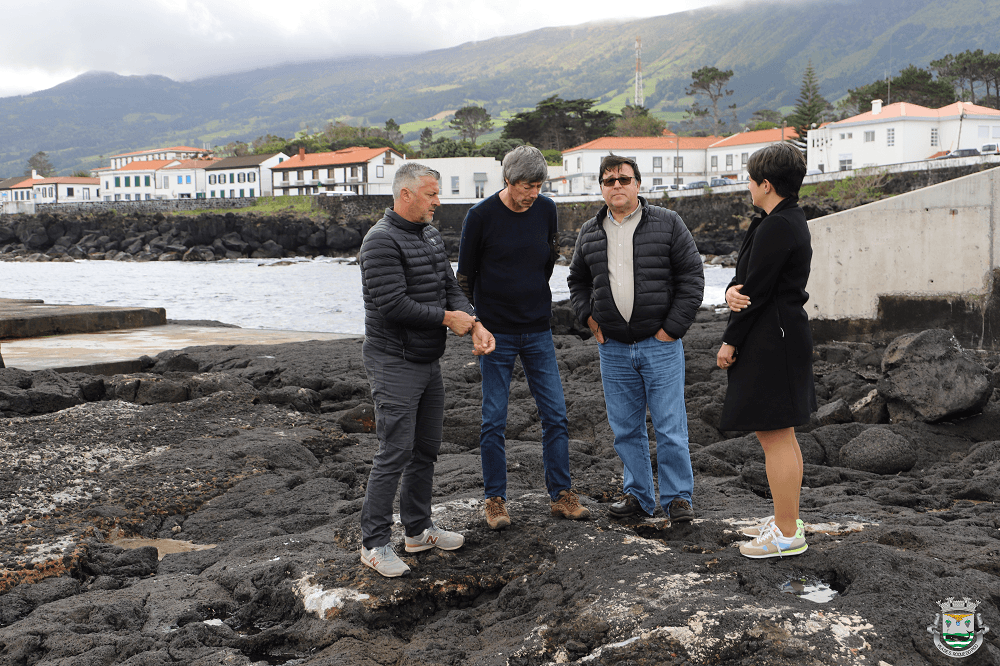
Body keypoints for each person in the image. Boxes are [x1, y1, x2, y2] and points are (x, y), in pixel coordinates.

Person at [358, 162, 496, 577]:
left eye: (437, 194)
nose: (439, 201)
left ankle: (417, 531)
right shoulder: (379, 242)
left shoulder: (430, 234)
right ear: (406, 195)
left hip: (426, 359)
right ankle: (374, 543)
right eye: (431, 194)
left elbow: (451, 288)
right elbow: (392, 304)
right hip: (392, 360)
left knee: (425, 449)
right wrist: (445, 320)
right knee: (394, 450)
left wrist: (474, 321)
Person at [457, 146, 590, 530]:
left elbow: (547, 258)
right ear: (507, 181)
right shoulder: (479, 217)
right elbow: (464, 278)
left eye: (537, 185)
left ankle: (561, 496)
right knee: (493, 419)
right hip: (495, 333)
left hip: (537, 329)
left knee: (556, 416)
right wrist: (476, 323)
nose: (531, 193)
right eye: (525, 186)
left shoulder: (547, 210)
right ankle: (495, 500)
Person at [568, 155, 704, 523]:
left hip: (659, 345)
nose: (617, 186)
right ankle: (638, 496)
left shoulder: (668, 223)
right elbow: (577, 280)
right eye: (609, 181)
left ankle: (677, 499)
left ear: (638, 185)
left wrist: (670, 329)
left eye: (624, 179)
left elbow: (692, 277)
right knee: (626, 429)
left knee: (670, 427)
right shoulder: (590, 231)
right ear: (601, 187)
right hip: (612, 348)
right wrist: (589, 320)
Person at [715, 142, 816, 559]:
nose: (748, 187)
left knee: (774, 436)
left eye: (751, 180)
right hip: (781, 335)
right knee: (781, 435)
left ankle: (788, 532)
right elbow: (746, 283)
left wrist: (729, 340)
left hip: (771, 340)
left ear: (767, 184)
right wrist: (729, 292)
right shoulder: (782, 219)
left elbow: (754, 292)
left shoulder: (778, 225)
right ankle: (786, 520)